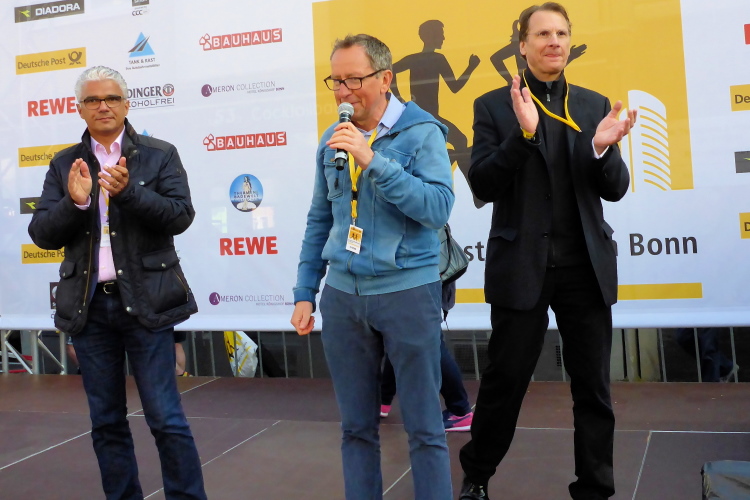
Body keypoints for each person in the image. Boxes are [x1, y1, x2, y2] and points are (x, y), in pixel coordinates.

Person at [457, 3, 637, 500]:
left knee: (593, 388)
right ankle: (477, 475)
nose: (553, 41)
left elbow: (616, 189)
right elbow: (483, 184)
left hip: (585, 268)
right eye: (542, 33)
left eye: (561, 32)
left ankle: (595, 488)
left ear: (569, 42)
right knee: (505, 380)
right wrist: (523, 135)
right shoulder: (493, 106)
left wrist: (601, 149)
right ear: (522, 45)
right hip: (522, 267)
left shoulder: (593, 104)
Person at [28, 65, 206, 500]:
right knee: (106, 422)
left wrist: (129, 193)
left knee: (165, 417)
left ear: (127, 104)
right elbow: (42, 234)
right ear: (79, 109)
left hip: (147, 303)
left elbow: (180, 215)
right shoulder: (64, 163)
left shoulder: (160, 154)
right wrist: (75, 203)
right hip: (90, 309)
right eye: (92, 100)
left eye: (111, 98)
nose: (102, 106)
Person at [290, 34, 455, 500]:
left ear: (385, 79)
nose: (343, 92)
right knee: (356, 428)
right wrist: (305, 291)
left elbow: (437, 208)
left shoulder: (422, 132)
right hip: (343, 298)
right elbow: (321, 219)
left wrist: (373, 161)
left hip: (408, 293)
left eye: (353, 80)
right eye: (335, 81)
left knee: (425, 428)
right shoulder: (333, 138)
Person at [380, 281, 474, 432]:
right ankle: (383, 400)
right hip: (415, 283)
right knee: (398, 336)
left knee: (431, 342)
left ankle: (460, 411)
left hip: (417, 283)